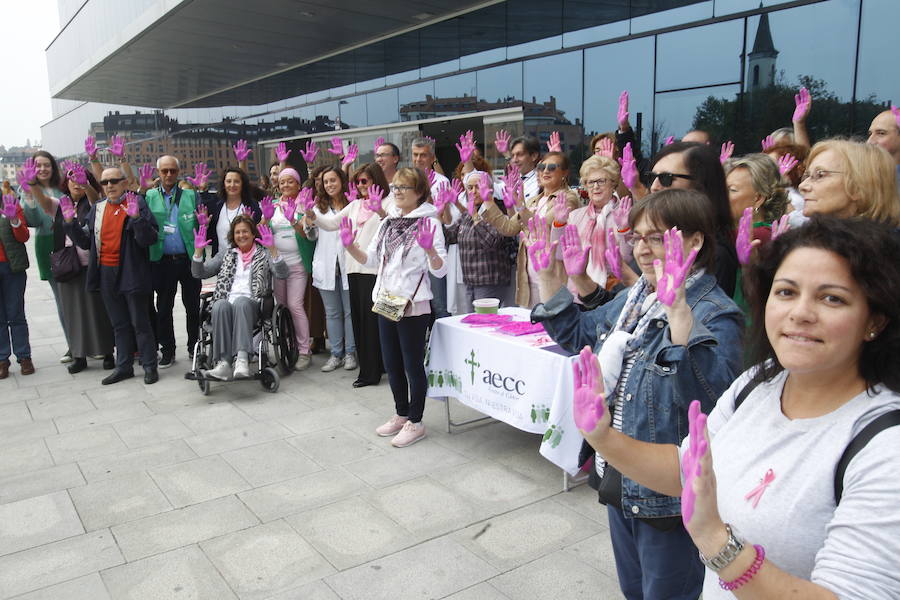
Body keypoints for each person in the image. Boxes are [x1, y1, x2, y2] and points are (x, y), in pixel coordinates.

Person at [573, 216, 900, 598]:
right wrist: (602, 436)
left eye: (832, 298)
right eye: (787, 292)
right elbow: (688, 474)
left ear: (874, 320)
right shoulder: (757, 383)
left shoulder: (885, 446)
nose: (801, 313)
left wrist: (716, 540)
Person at [532, 189, 743, 600]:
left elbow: (712, 402)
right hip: (620, 480)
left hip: (670, 500)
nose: (642, 250)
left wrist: (680, 311)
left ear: (695, 242)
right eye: (638, 238)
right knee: (634, 592)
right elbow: (580, 337)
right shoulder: (636, 299)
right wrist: (550, 277)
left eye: (657, 238)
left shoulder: (716, 312)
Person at [342, 167, 447, 447]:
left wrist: (430, 251)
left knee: (412, 364)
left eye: (404, 187)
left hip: (413, 305)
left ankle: (416, 421)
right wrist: (350, 246)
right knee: (391, 362)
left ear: (419, 192)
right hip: (386, 300)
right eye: (396, 187)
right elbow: (371, 260)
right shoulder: (388, 222)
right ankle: (401, 413)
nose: (397, 192)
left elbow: (440, 270)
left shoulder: (430, 223)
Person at [64, 167, 160, 385]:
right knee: (119, 324)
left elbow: (149, 239)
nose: (109, 186)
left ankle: (149, 365)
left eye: (114, 181)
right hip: (106, 272)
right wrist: (70, 224)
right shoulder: (97, 208)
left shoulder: (137, 203)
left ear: (124, 183)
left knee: (140, 322)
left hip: (132, 271)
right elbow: (86, 242)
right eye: (105, 182)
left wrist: (136, 218)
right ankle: (123, 366)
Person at [306, 163, 389, 386]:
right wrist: (311, 213)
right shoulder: (354, 205)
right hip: (354, 269)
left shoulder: (387, 202)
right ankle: (369, 368)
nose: (361, 186)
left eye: (365, 181)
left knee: (375, 322)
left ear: (376, 181)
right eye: (358, 182)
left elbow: (392, 225)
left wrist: (380, 210)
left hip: (376, 270)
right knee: (361, 321)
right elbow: (331, 224)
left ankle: (376, 369)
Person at [34, 167, 115, 374]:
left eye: (81, 180)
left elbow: (96, 199)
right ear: (66, 184)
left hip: (92, 264)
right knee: (72, 312)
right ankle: (79, 355)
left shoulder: (94, 204)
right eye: (72, 181)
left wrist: (87, 184)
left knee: (99, 311)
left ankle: (107, 352)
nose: (76, 183)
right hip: (67, 266)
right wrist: (32, 184)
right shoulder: (60, 205)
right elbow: (43, 202)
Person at [191, 215, 288, 380]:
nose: (241, 235)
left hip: (254, 305)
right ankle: (224, 363)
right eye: (237, 232)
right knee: (220, 305)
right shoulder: (226, 254)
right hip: (227, 304)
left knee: (241, 302)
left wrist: (273, 250)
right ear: (233, 236)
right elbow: (199, 273)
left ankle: (242, 359)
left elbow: (283, 273)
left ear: (253, 234)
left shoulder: (263, 254)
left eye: (245, 232)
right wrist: (198, 252)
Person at [482, 151, 581, 308]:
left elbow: (540, 227)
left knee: (553, 329)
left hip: (554, 278)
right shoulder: (534, 200)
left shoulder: (568, 198)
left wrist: (520, 205)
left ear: (565, 173)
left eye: (552, 167)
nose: (545, 171)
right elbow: (508, 228)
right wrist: (488, 201)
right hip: (529, 279)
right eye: (541, 167)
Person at [648, 141, 739, 296]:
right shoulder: (653, 237)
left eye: (666, 178)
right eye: (652, 177)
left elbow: (703, 316)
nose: (654, 187)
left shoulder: (715, 254)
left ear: (699, 185)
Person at [145, 156, 201, 368]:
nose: (169, 175)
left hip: (188, 259)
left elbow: (202, 219)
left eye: (173, 171)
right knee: (164, 308)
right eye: (164, 171)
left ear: (178, 172)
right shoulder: (149, 196)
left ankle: (194, 347)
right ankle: (167, 350)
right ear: (158, 172)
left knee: (193, 306)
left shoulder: (190, 195)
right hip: (162, 260)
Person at [302, 166, 356, 372]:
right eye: (326, 182)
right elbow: (311, 236)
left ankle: (350, 353)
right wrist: (308, 218)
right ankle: (336, 354)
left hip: (349, 264)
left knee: (350, 312)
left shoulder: (353, 204)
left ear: (342, 181)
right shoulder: (317, 207)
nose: (329, 185)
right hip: (326, 266)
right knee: (332, 313)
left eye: (333, 180)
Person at [18, 151, 69, 364]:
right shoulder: (26, 190)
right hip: (46, 244)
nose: (42, 169)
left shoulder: (63, 186)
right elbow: (32, 221)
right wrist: (29, 196)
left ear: (53, 167)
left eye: (46, 165)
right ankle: (72, 345)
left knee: (77, 296)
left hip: (70, 242)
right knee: (61, 299)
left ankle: (89, 341)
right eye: (37, 166)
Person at [439, 170, 512, 311]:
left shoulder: (497, 210)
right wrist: (446, 207)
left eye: (478, 186)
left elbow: (491, 241)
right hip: (469, 281)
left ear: (489, 188)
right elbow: (451, 236)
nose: (473, 191)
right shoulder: (470, 212)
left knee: (486, 324)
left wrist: (474, 215)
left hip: (490, 281)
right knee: (472, 323)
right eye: (470, 188)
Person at [565, 155, 635, 296]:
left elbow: (627, 259)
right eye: (591, 182)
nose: (595, 186)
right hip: (577, 291)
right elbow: (563, 256)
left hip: (610, 292)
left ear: (613, 184)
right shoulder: (575, 216)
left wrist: (624, 229)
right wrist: (559, 224)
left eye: (601, 181)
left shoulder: (624, 214)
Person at [268, 167, 315, 369]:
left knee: (295, 305)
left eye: (290, 181)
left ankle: (305, 351)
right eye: (282, 182)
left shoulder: (304, 205)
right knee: (283, 307)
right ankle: (289, 345)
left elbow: (308, 236)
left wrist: (294, 220)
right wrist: (264, 216)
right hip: (278, 265)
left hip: (297, 264)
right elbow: (263, 231)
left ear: (298, 184)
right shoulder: (272, 205)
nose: (286, 185)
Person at [799, 139, 899, 225]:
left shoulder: (883, 246)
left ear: (860, 186)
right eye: (807, 175)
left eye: (820, 175)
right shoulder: (807, 240)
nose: (802, 186)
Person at [410, 137, 450, 319]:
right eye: (415, 155)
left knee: (439, 303)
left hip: (433, 247)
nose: (418, 159)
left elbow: (448, 220)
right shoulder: (404, 180)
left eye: (423, 155)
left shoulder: (442, 182)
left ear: (432, 157)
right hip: (410, 251)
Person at [724, 153, 789, 246]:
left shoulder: (759, 237)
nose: (721, 195)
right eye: (722, 188)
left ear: (758, 199)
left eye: (732, 190)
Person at [0, 193, 32, 379]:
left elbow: (24, 236)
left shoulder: (10, 203)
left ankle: (24, 356)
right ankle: (2, 359)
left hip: (12, 267)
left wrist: (14, 220)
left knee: (16, 314)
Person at [205, 167, 261, 256]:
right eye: (228, 181)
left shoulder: (251, 205)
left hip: (246, 260)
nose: (232, 185)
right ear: (223, 184)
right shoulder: (216, 205)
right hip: (220, 261)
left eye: (236, 181)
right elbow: (208, 236)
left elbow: (259, 234)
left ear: (243, 184)